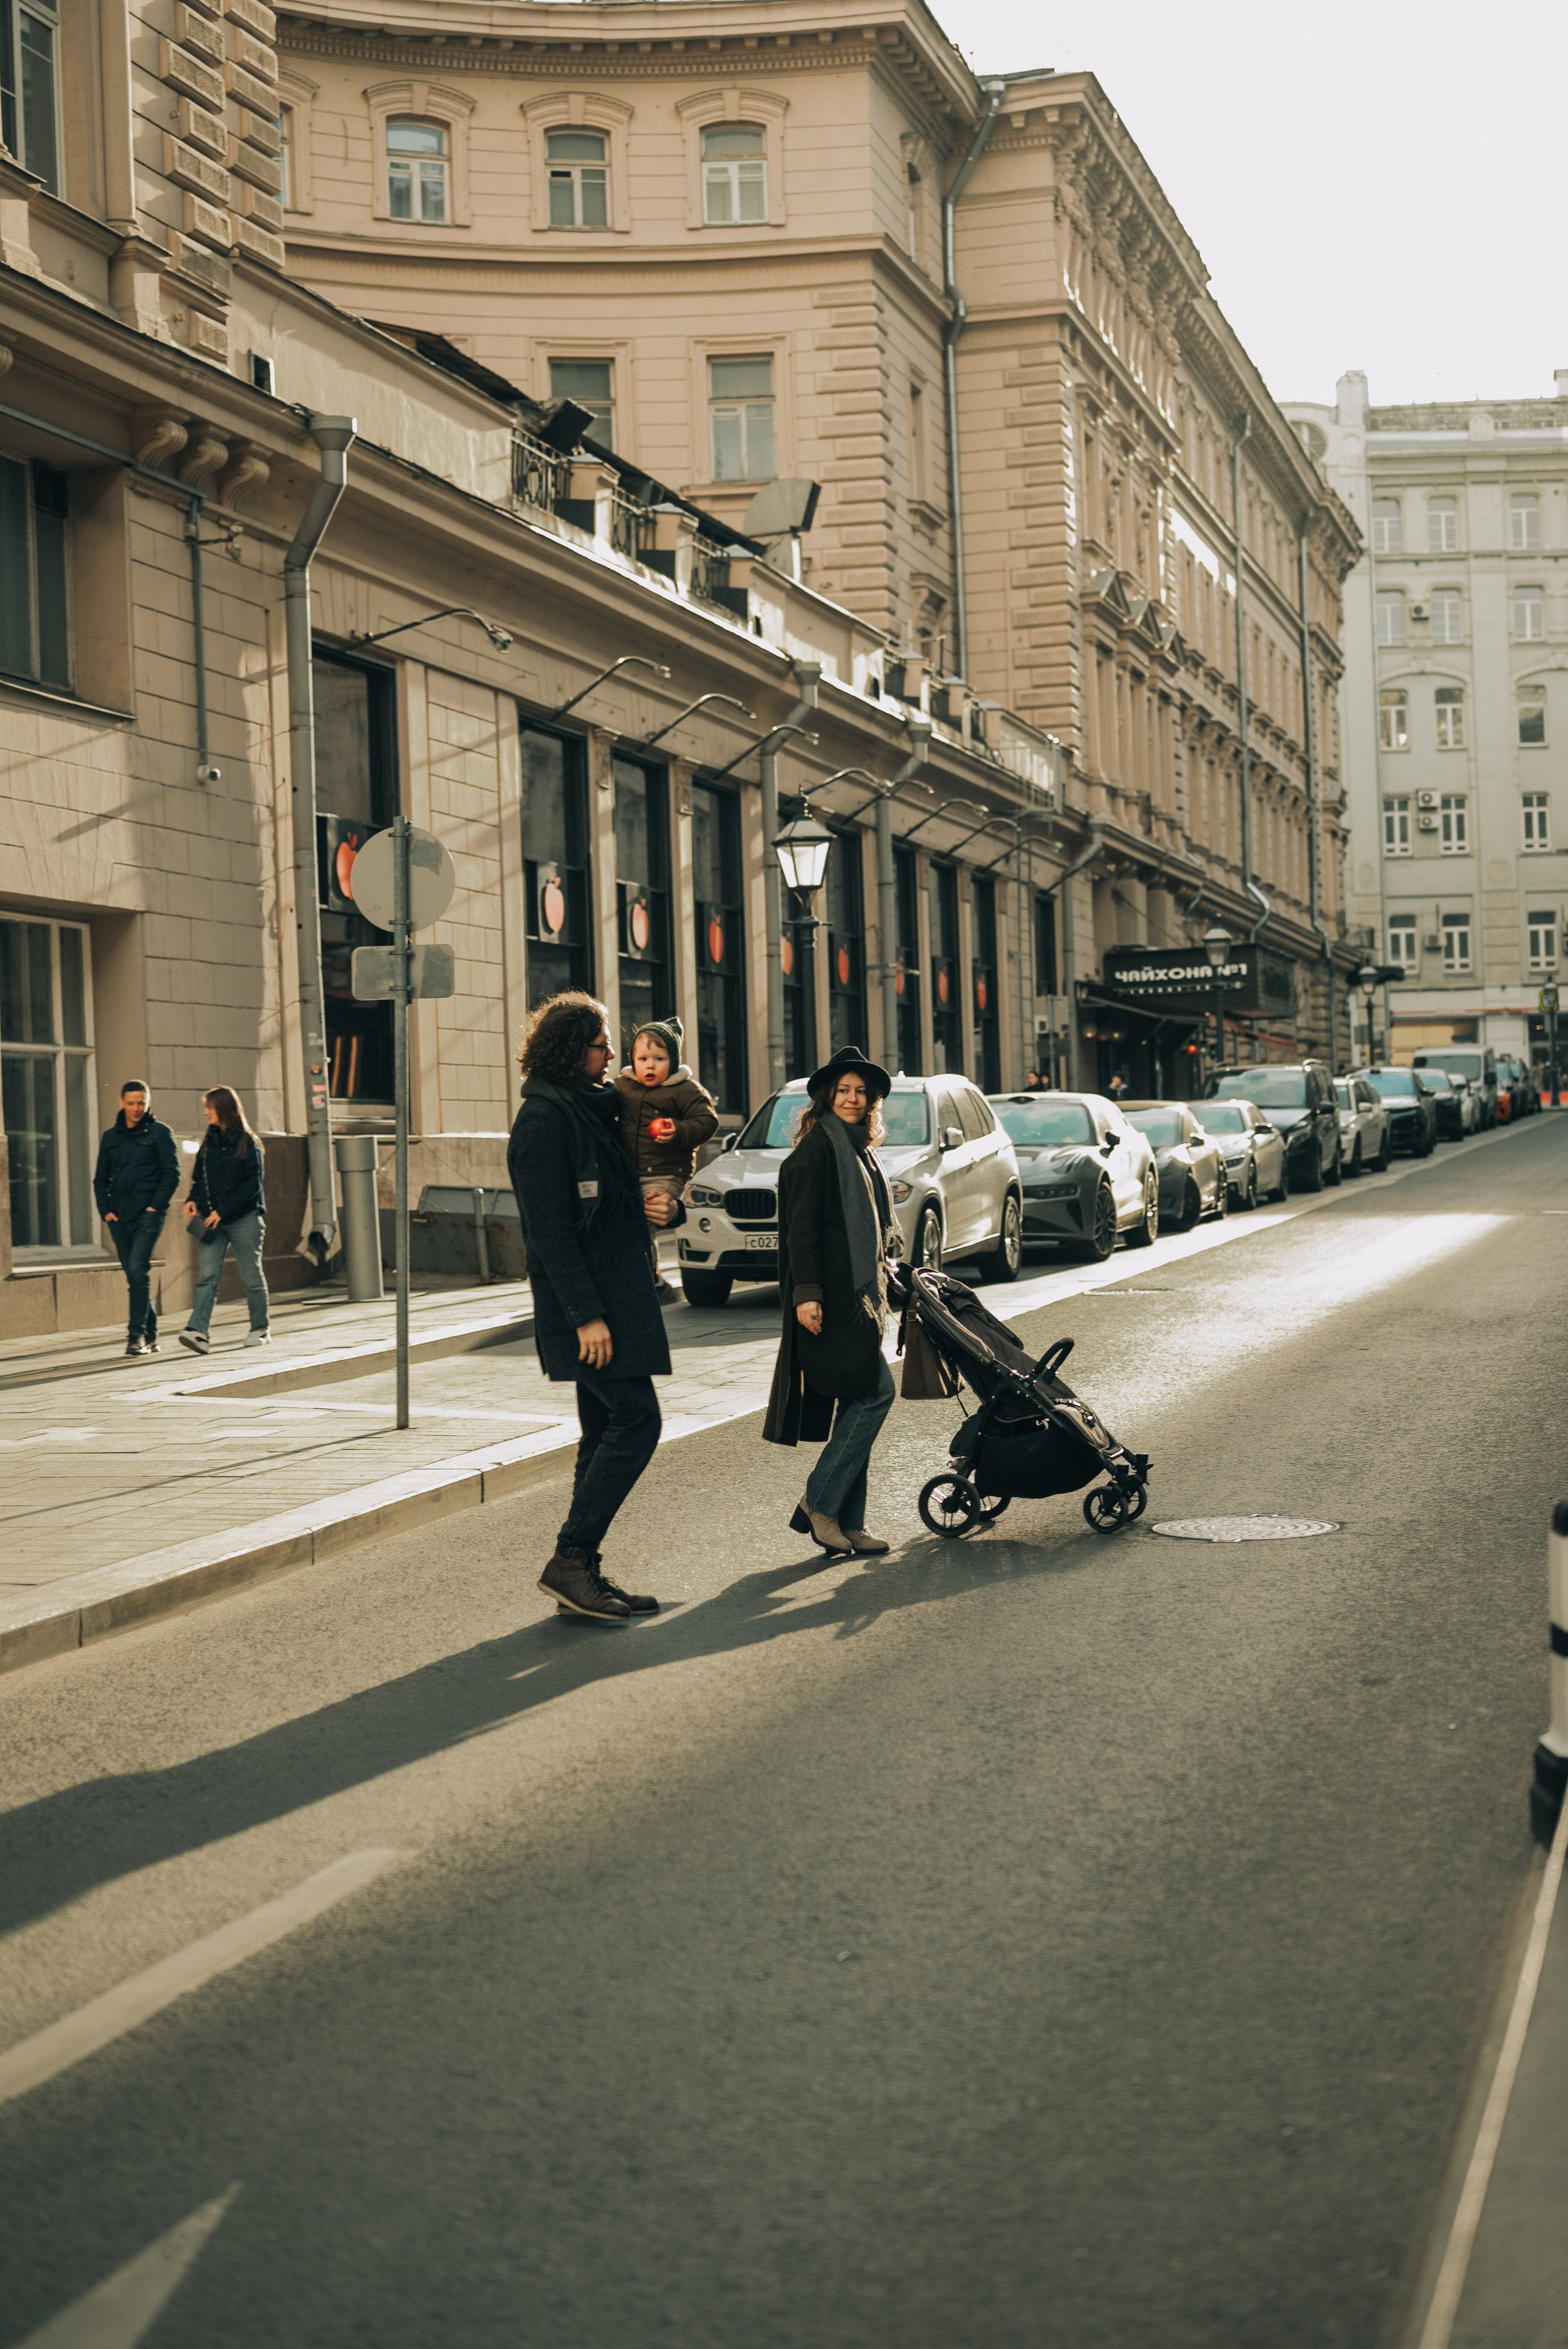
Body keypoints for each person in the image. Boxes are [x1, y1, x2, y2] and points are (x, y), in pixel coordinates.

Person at [508, 991, 677, 1623]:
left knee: (604, 1430)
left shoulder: (591, 1109)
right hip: (590, 1313)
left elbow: (609, 1202)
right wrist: (584, 1316)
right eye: (602, 1042)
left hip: (616, 1298)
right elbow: (549, 1232)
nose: (613, 1054)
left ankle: (580, 1572)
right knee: (637, 1422)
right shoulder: (544, 1121)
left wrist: (665, 1207)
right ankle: (570, 1560)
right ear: (570, 1048)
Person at [763, 1044, 900, 1558]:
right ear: (826, 1096)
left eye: (861, 1092)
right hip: (834, 1301)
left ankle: (850, 1521)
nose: (853, 1098)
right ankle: (820, 1503)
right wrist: (806, 1296)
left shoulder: (860, 1150)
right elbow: (801, 1232)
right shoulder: (818, 1150)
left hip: (859, 1298)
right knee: (874, 1395)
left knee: (856, 1401)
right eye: (843, 1090)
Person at [614, 1014, 718, 1303]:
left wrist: (679, 1130)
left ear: (672, 1061)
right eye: (643, 1058)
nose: (650, 1065)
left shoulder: (685, 1090)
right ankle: (646, 1272)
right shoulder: (623, 1087)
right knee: (632, 1221)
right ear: (633, 1060)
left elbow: (707, 1122)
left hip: (667, 1171)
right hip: (630, 1170)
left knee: (646, 1215)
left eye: (658, 1059)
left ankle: (648, 1275)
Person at [178, 1086, 270, 1355]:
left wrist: (224, 1211)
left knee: (251, 1275)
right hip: (211, 1220)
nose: (206, 1112)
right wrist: (192, 1199)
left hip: (244, 1219)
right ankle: (198, 1332)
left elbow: (252, 1185)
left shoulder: (248, 1142)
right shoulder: (209, 1141)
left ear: (224, 1109)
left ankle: (260, 1329)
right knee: (207, 1276)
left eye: (210, 1107)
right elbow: (200, 1178)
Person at [93, 1079, 180, 1357]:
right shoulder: (111, 1137)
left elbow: (172, 1175)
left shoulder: (160, 1134)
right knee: (135, 1275)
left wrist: (155, 1207)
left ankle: (136, 1336)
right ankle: (152, 1336)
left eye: (141, 1102)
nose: (136, 1108)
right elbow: (100, 1179)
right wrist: (106, 1211)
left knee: (138, 1270)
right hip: (118, 1217)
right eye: (131, 1103)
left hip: (149, 1216)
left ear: (148, 1101)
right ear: (122, 1103)